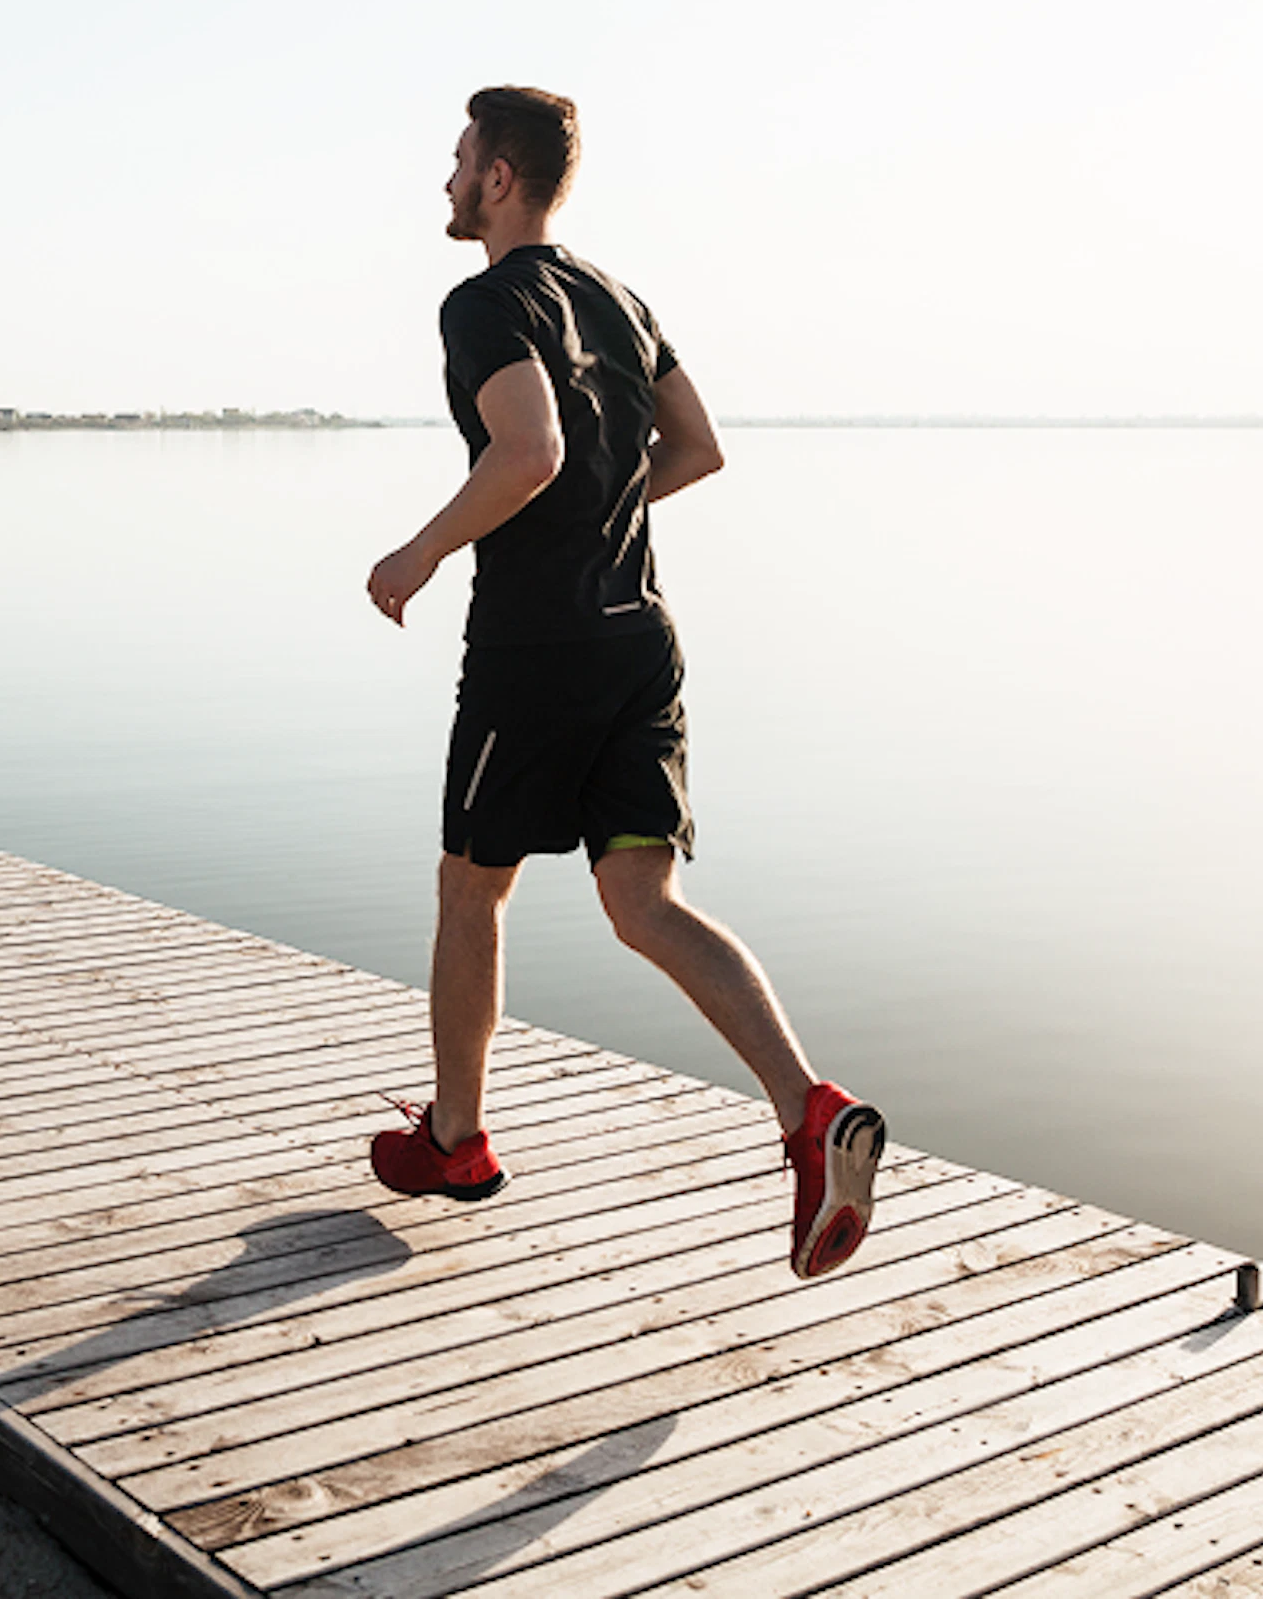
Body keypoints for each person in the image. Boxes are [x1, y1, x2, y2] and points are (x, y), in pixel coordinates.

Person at [363, 86, 887, 1279]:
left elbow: (531, 449)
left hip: (533, 651)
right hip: (639, 637)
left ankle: (456, 1140)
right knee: (643, 904)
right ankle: (808, 1109)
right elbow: (696, 446)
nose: (445, 180)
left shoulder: (486, 302)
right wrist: (606, 511)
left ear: (499, 177)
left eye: (458, 160)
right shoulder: (621, 297)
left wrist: (425, 549)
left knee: (470, 888)